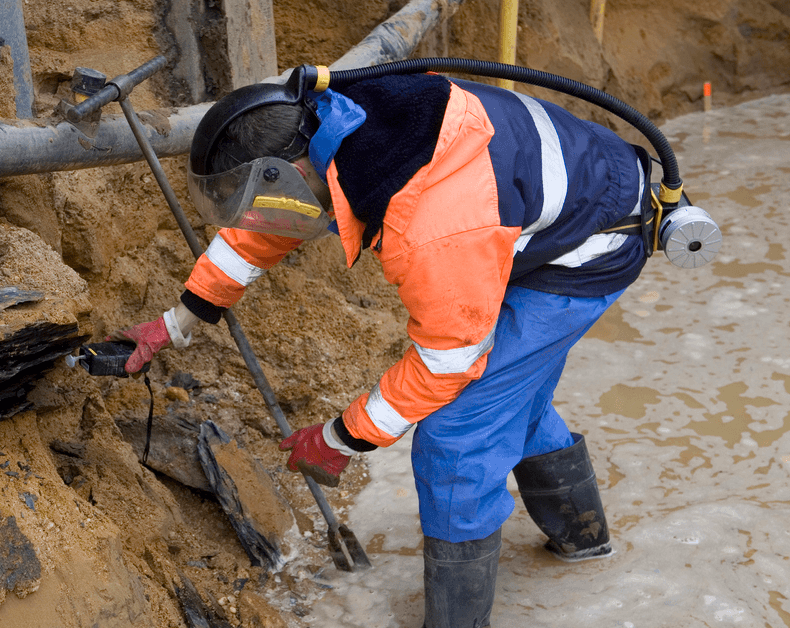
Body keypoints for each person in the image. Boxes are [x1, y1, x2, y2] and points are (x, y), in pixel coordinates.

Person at [112, 65, 650, 628]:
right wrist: (178, 320)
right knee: (507, 399)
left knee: (455, 435)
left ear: (291, 171)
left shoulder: (431, 224)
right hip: (536, 209)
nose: (267, 209)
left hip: (594, 240)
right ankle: (585, 549)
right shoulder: (332, 130)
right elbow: (271, 220)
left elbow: (448, 360)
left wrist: (340, 439)